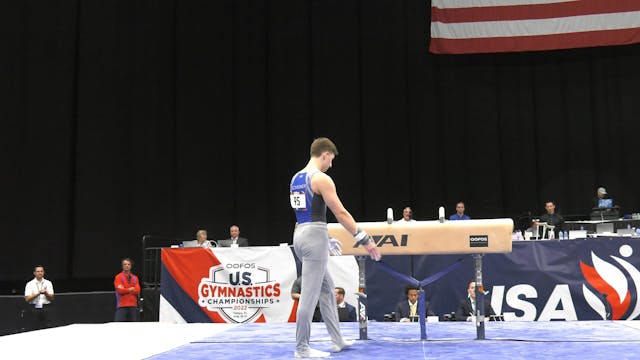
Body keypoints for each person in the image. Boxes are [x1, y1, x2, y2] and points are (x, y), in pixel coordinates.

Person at [289, 137, 381, 358]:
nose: (331, 165)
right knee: (309, 297)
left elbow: (305, 215)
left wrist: (325, 236)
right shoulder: (321, 178)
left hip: (300, 234)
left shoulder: (296, 178)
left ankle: (337, 339)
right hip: (313, 237)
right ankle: (301, 349)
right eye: (331, 160)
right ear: (325, 154)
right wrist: (364, 239)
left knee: (327, 289)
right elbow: (340, 213)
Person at [24, 265, 54, 330]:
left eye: (41, 271)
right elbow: (27, 299)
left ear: (43, 272)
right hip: (34, 308)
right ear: (34, 273)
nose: (40, 273)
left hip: (46, 307)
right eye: (38, 271)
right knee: (33, 328)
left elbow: (51, 298)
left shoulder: (48, 283)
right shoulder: (30, 284)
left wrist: (45, 293)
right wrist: (38, 293)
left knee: (47, 328)